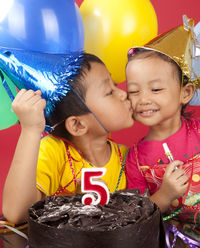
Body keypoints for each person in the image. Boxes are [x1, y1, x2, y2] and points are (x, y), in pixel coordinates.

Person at [2, 52, 134, 224]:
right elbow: (16, 213)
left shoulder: (128, 157)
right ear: (77, 125)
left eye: (115, 85)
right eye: (109, 91)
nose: (123, 94)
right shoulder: (54, 152)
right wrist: (30, 131)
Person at [125, 17, 200, 240]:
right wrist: (165, 194)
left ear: (185, 93)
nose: (143, 99)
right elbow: (138, 216)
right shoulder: (136, 159)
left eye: (156, 89)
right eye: (134, 91)